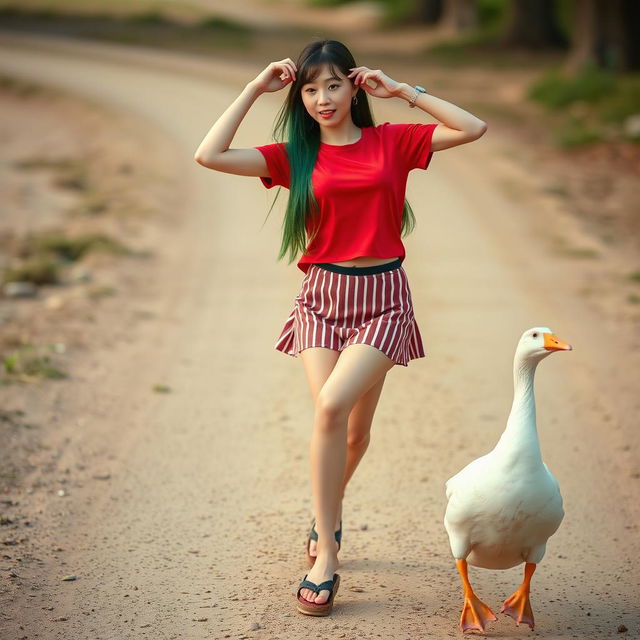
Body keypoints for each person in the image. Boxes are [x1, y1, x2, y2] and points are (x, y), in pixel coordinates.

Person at [194, 38, 487, 617]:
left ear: (355, 85)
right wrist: (255, 89)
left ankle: (323, 535)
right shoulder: (294, 157)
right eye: (309, 89)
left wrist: (404, 92)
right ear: (298, 96)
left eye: (332, 84)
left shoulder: (392, 142)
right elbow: (209, 154)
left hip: (382, 297)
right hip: (322, 297)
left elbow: (473, 127)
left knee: (336, 415)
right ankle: (327, 542)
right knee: (342, 425)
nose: (321, 98)